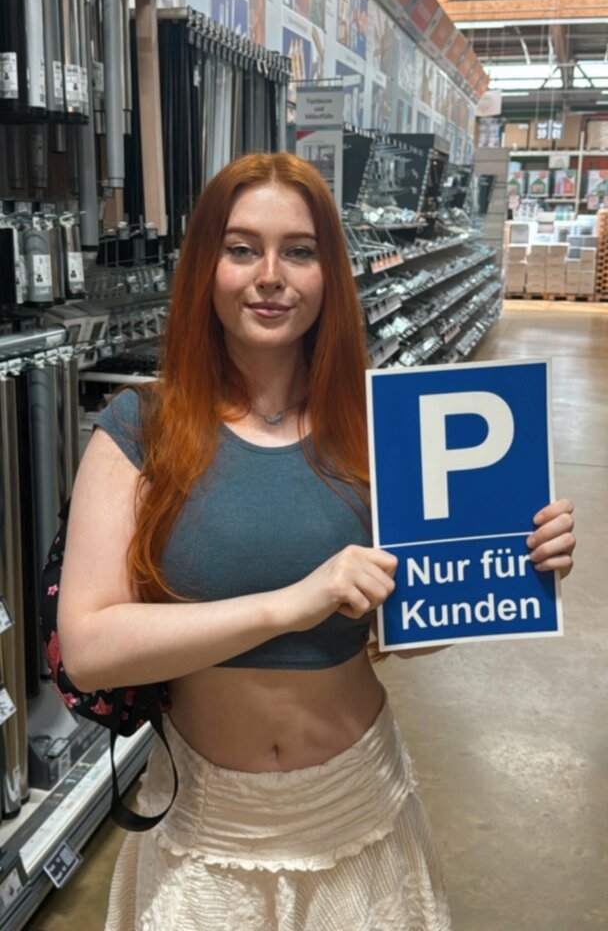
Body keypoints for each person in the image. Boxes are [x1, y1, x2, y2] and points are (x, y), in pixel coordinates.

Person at [58, 152, 576, 931]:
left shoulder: (381, 431)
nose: (270, 277)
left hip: (358, 813)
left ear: (330, 272)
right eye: (242, 249)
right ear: (204, 268)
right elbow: (91, 647)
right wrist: (291, 603)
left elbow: (404, 635)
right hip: (206, 830)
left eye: (298, 251)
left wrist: (513, 561)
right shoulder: (141, 430)